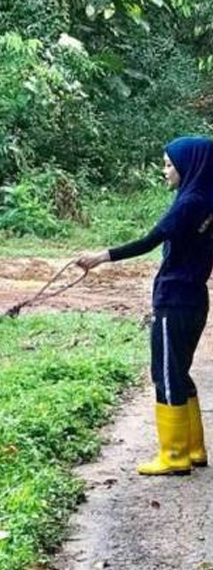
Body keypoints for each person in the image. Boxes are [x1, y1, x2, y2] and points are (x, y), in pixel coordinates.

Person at [76, 136, 213, 476]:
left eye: (169, 165)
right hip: (195, 298)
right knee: (178, 371)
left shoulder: (189, 204)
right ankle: (194, 449)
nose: (165, 171)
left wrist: (100, 257)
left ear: (189, 166)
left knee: (164, 374)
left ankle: (174, 456)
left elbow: (150, 241)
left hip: (174, 299)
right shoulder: (207, 201)